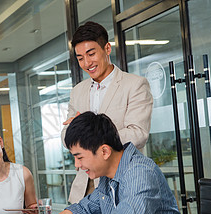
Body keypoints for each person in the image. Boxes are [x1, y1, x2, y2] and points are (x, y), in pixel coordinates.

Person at [13, 112, 186, 214]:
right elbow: (83, 211)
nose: (77, 165)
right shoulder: (108, 176)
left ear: (104, 151)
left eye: (80, 157)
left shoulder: (139, 172)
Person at [62, 21, 153, 203]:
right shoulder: (77, 91)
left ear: (107, 48)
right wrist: (74, 129)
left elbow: (138, 133)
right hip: (84, 187)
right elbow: (66, 135)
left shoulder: (134, 84)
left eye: (91, 54)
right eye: (80, 58)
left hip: (121, 183)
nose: (87, 63)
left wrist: (90, 139)